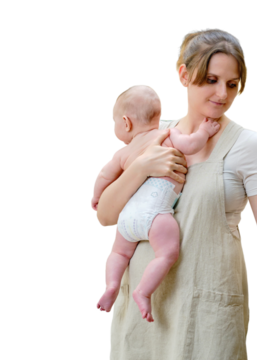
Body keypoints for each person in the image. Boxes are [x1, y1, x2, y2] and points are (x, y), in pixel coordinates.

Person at [94, 27, 257, 360]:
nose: (222, 94)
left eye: (232, 84)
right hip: (141, 320)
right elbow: (106, 216)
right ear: (183, 74)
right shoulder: (153, 137)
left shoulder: (248, 145)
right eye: (210, 80)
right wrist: (141, 167)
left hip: (206, 314)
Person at [91, 84, 220, 322]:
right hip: (155, 213)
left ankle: (111, 286)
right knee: (167, 254)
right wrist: (205, 131)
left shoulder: (123, 152)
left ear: (126, 123)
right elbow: (192, 145)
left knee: (118, 253)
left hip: (128, 218)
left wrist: (96, 196)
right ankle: (143, 291)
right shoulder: (169, 135)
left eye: (114, 123)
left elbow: (104, 175)